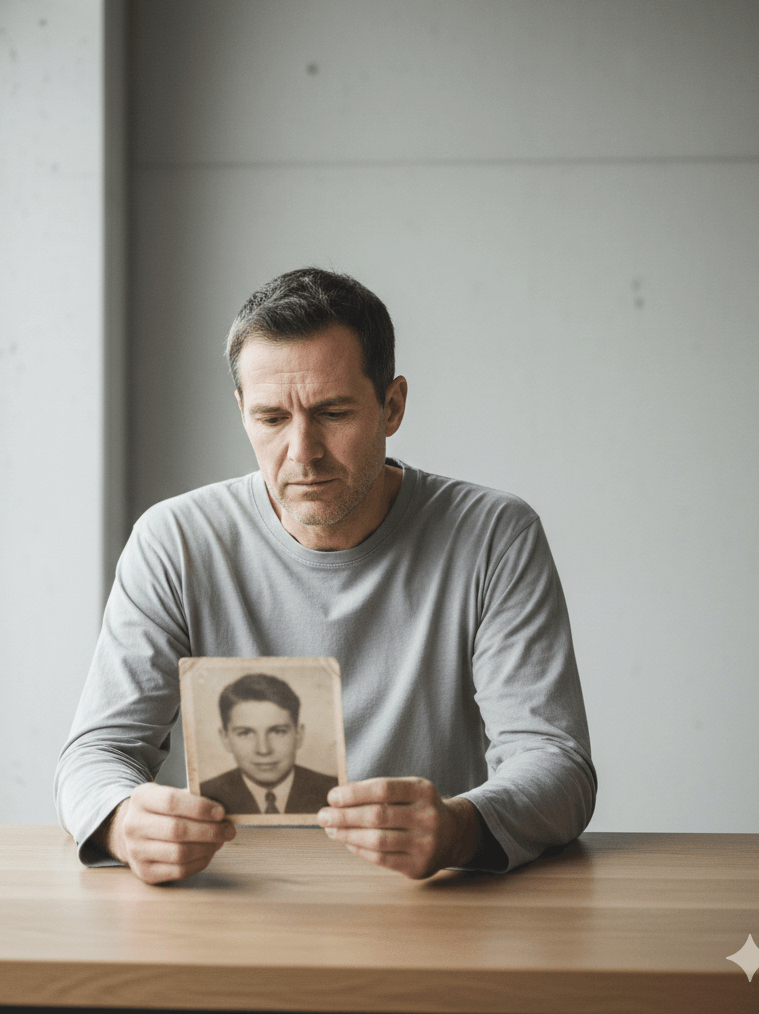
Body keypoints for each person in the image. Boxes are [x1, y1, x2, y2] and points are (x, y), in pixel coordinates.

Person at [55, 267, 596, 886]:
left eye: (332, 413)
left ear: (391, 407)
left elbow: (555, 764)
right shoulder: (174, 541)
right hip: (234, 901)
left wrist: (459, 828)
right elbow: (96, 754)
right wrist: (123, 822)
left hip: (430, 902)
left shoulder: (493, 535)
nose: (302, 451)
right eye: (271, 419)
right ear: (241, 412)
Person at [199, 672, 338, 815]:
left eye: (278, 732)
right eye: (245, 733)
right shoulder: (204, 796)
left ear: (299, 734)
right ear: (225, 738)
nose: (264, 749)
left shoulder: (334, 792)